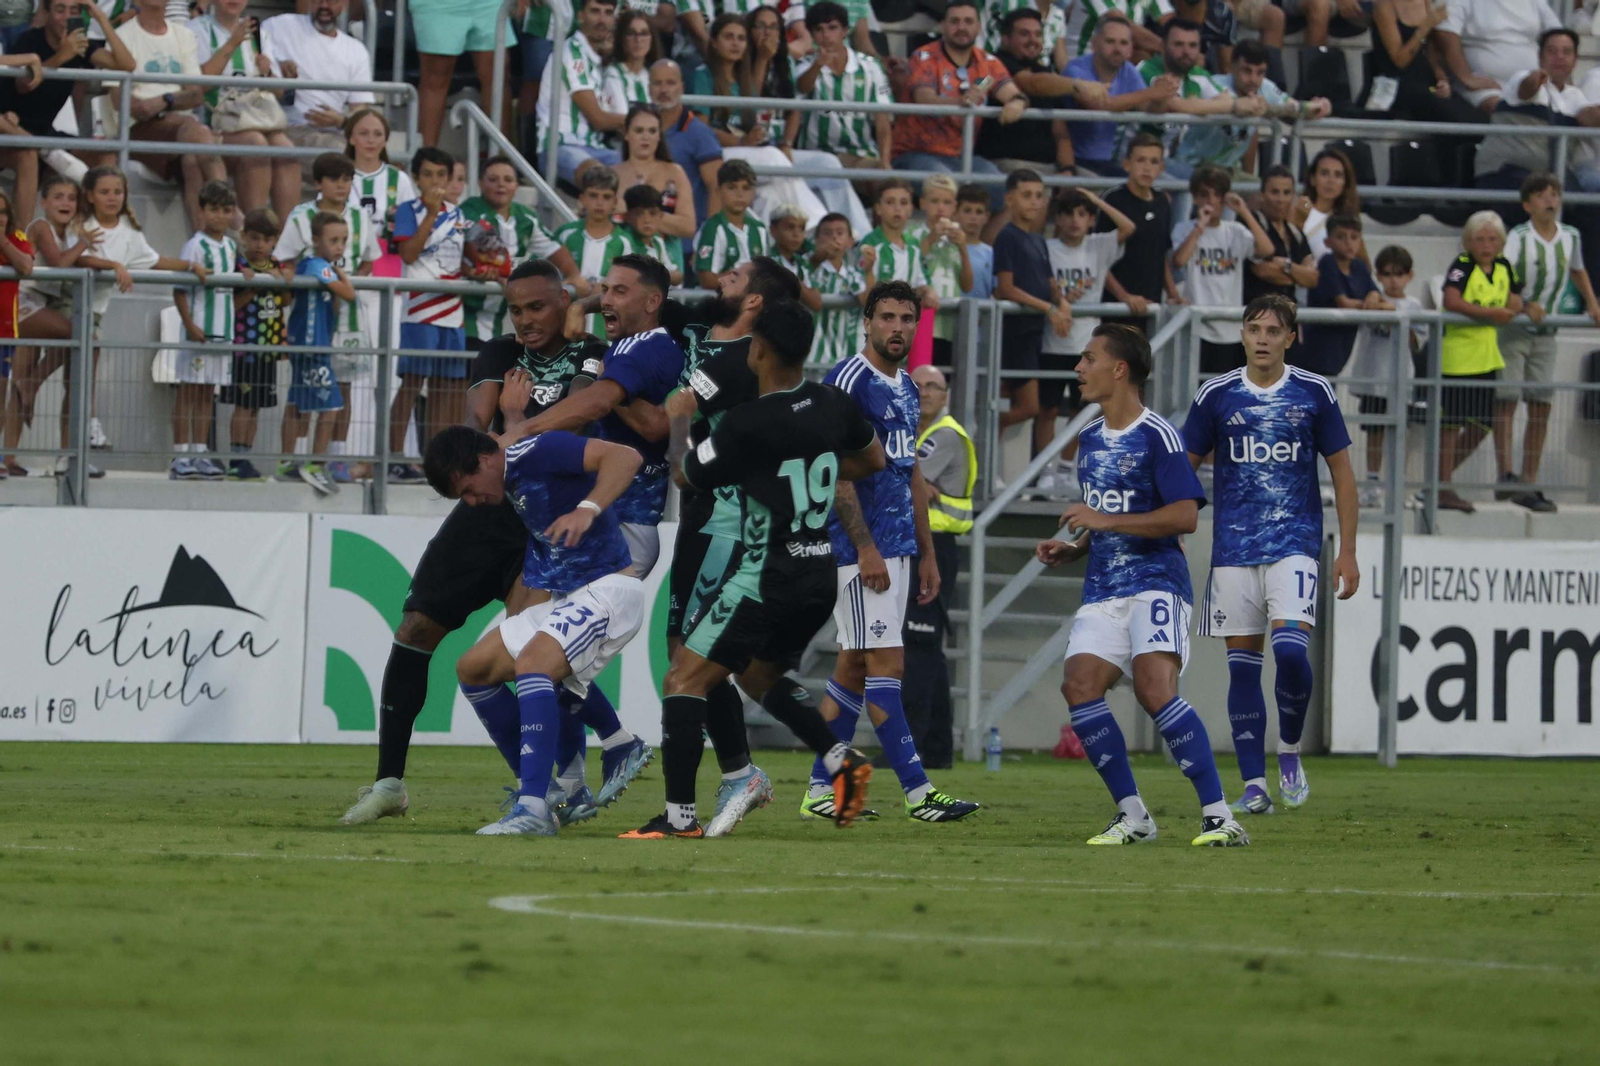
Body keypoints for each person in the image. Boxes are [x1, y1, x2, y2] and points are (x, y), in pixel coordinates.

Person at [338, 259, 649, 827]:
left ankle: (566, 784)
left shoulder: (590, 352)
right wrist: (510, 426)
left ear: (563, 303)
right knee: (416, 629)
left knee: (537, 653)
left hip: (546, 514)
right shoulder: (497, 353)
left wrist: (517, 419)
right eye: (516, 310)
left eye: (537, 307)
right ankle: (389, 782)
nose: (525, 320)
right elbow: (475, 434)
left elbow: (571, 428)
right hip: (490, 503)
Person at [627, 297, 881, 838]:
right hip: (819, 571)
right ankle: (840, 758)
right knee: (759, 675)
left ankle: (679, 819)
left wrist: (679, 423)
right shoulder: (833, 403)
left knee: (683, 678)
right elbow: (871, 460)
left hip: (765, 572)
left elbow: (684, 476)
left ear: (757, 350)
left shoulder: (747, 422)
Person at [1037, 323, 1247, 847]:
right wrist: (1078, 546)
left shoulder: (1159, 435)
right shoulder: (1087, 438)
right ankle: (1135, 817)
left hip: (1157, 583)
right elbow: (1108, 513)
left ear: (1119, 369)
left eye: (1088, 359)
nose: (1078, 369)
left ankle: (1220, 816)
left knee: (1156, 691)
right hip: (1103, 587)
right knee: (1079, 687)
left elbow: (1183, 517)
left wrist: (1102, 524)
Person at [805, 280, 981, 823]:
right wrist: (865, 547)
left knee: (855, 667)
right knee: (888, 664)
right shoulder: (847, 380)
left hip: (899, 547)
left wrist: (925, 552)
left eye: (908, 318)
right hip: (861, 550)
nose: (898, 327)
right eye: (887, 317)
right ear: (867, 321)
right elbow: (831, 468)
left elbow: (910, 473)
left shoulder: (905, 386)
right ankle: (918, 791)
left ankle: (819, 790)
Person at [1181, 294, 1358, 814]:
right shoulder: (1216, 394)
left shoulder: (1313, 392)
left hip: (1295, 543)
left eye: (1272, 331)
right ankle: (1254, 787)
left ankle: (1289, 749)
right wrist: (1174, 522)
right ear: (1242, 335)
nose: (1262, 338)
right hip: (1234, 548)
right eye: (1254, 328)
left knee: (1289, 652)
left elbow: (1343, 474)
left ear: (1290, 338)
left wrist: (1347, 551)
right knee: (1241, 669)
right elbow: (1182, 466)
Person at [435, 425, 645, 837]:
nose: (472, 502)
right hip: (567, 597)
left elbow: (626, 457)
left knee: (535, 664)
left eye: (468, 490)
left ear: (484, 462)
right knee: (473, 668)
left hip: (608, 591)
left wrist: (588, 507)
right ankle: (552, 790)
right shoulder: (507, 467)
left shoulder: (540, 450)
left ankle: (532, 806)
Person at [503, 254, 685, 585]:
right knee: (538, 621)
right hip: (618, 521)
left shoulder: (638, 349)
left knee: (547, 629)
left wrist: (521, 429)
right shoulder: (645, 344)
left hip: (622, 522)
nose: (606, 301)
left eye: (619, 291)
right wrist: (580, 308)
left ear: (652, 302)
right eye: (604, 290)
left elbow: (599, 403)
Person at [70, 165, 206, 473]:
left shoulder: (130, 232)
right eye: (104, 192)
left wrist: (189, 265)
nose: (112, 198)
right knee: (65, 374)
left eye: (117, 192)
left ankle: (75, 449)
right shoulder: (83, 224)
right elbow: (75, 257)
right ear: (90, 196)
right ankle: (83, 431)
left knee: (78, 378)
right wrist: (115, 265)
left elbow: (155, 260)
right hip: (72, 307)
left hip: (95, 313)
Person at [1496, 172, 1600, 513]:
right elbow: (1504, 272)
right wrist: (1522, 304)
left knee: (1541, 403)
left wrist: (1592, 302)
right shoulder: (1519, 236)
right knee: (1507, 398)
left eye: (1554, 193)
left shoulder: (1570, 236)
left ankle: (1529, 478)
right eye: (1542, 194)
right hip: (1516, 329)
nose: (1550, 199)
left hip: (1547, 331)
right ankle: (1505, 474)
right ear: (1528, 204)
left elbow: (1577, 271)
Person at [274, 152, 380, 483]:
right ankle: (292, 459)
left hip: (346, 321)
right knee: (302, 394)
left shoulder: (360, 217)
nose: (342, 185)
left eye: (347, 178)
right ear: (318, 183)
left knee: (342, 389)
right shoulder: (302, 215)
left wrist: (347, 283)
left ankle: (332, 460)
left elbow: (369, 261)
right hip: (311, 321)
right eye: (334, 178)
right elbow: (284, 261)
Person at [1035, 187, 1134, 498]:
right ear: (1058, 219)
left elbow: (1129, 227)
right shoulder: (1046, 246)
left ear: (1091, 219)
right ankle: (1044, 472)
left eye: (1083, 214)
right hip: (1053, 342)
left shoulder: (1098, 245)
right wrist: (1059, 298)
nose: (1075, 221)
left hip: (1087, 345)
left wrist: (1096, 200)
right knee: (1048, 410)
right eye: (1068, 214)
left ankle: (1065, 468)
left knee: (1086, 410)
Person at [0, 0, 134, 218]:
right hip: (12, 129)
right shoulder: (30, 39)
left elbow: (127, 64)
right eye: (60, 9)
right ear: (46, 12)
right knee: (29, 152)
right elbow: (24, 86)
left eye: (73, 11)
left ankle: (98, 233)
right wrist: (62, 55)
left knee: (106, 155)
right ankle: (21, 240)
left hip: (45, 133)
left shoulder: (81, 46)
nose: (66, 17)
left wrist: (99, 16)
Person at [891, 0, 1029, 210]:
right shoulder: (924, 56)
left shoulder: (987, 62)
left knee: (1007, 194)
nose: (962, 27)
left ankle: (981, 244)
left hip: (963, 157)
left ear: (978, 27)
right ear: (943, 26)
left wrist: (1017, 103)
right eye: (955, 21)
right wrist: (959, 102)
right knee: (946, 189)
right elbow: (923, 97)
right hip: (915, 154)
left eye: (968, 21)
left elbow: (1013, 93)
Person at [904, 362, 973, 769]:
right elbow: (915, 488)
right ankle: (935, 751)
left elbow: (902, 480)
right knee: (928, 649)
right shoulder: (917, 434)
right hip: (924, 545)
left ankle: (910, 747)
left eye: (934, 386)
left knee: (918, 646)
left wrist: (918, 486)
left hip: (934, 547)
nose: (926, 392)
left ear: (945, 397)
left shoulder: (944, 435)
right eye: (919, 385)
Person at [107, 1, 225, 230]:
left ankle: (205, 243)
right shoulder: (121, 36)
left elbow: (196, 95)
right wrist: (164, 103)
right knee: (197, 132)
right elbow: (121, 101)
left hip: (181, 129)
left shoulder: (183, 35)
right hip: (139, 130)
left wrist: (164, 101)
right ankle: (234, 214)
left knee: (192, 160)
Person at [388, 147, 468, 481]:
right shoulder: (409, 210)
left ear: (450, 179)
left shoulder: (460, 215)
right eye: (428, 175)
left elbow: (460, 258)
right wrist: (430, 215)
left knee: (447, 388)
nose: (435, 181)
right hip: (420, 310)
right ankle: (393, 456)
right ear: (417, 178)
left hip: (453, 310)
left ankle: (437, 460)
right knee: (412, 383)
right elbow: (408, 253)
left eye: (441, 175)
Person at [1436, 211, 1524, 513]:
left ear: (1500, 242)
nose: (1485, 245)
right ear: (1468, 241)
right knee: (1451, 425)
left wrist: (1519, 307)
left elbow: (1515, 298)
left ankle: (1439, 480)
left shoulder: (1503, 266)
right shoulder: (1462, 265)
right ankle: (1443, 487)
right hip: (1458, 358)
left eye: (1491, 239)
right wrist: (1491, 314)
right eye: (1479, 239)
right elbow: (1451, 299)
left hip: (1488, 358)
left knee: (1482, 425)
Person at [190, 0, 299, 222]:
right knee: (255, 144)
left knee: (287, 150)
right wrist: (233, 43)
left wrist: (268, 73)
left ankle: (284, 243)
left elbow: (278, 93)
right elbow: (200, 85)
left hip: (255, 116)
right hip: (216, 122)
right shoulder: (196, 29)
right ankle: (254, 236)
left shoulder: (259, 33)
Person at [461, 155, 584, 347]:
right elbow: (487, 255)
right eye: (493, 179)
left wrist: (574, 274)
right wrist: (504, 275)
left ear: (517, 185)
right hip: (466, 314)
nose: (501, 185)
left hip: (501, 315)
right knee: (463, 373)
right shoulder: (469, 211)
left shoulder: (525, 216)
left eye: (508, 180)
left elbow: (552, 247)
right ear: (480, 183)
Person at [11, 176, 88, 476]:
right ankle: (32, 384)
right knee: (76, 332)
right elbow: (57, 263)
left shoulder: (71, 233)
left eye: (71, 198)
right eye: (58, 197)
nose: (65, 203)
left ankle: (9, 457)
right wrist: (84, 244)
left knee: (19, 384)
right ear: (44, 202)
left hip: (43, 305)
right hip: (24, 301)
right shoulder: (41, 226)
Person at [994, 169, 1072, 456]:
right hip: (1017, 332)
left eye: (1039, 196)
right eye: (1026, 195)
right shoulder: (1007, 237)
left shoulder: (1039, 239)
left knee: (1015, 401)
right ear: (1009, 199)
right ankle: (982, 433)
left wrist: (1061, 303)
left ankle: (989, 456)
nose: (1034, 202)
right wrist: (1049, 308)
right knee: (1029, 407)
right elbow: (1006, 288)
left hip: (1035, 332)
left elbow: (1050, 282)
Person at [170, 180, 242, 482]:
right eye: (213, 210)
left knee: (206, 394)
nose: (219, 217)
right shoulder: (195, 246)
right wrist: (189, 325)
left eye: (226, 210)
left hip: (221, 333)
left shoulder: (231, 246)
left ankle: (200, 451)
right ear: (202, 211)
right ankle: (180, 454)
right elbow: (179, 290)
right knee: (188, 391)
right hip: (198, 330)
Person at [976, 7, 1104, 176]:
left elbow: (1060, 132)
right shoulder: (997, 64)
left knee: (1093, 184)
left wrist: (1067, 170)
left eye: (1037, 34)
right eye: (1024, 34)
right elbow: (1031, 83)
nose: (1033, 40)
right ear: (1005, 39)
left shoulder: (1047, 73)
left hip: (1050, 166)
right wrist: (1077, 85)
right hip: (1008, 163)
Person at [1171, 164, 1274, 374]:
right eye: (1204, 194)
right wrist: (1199, 227)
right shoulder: (1185, 229)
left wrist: (1243, 210)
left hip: (1231, 329)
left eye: (1217, 194)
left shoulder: (1235, 231)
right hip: (1197, 329)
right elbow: (1179, 261)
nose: (1211, 200)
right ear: (1195, 198)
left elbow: (1267, 249)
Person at [278, 211, 354, 494]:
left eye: (344, 241)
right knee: (331, 405)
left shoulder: (314, 266)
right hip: (312, 346)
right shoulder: (317, 266)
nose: (339, 246)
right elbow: (348, 293)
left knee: (298, 403)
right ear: (315, 240)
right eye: (333, 240)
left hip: (309, 343)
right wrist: (341, 273)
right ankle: (315, 465)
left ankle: (286, 462)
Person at [1132, 17, 1263, 179]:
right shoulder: (1146, 70)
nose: (1186, 51)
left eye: (1192, 45)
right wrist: (1235, 105)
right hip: (1135, 160)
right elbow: (1176, 105)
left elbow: (1225, 100)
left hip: (1169, 160)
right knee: (1198, 181)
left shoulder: (1198, 75)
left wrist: (1248, 104)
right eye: (1178, 45)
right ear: (1163, 47)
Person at [1175, 38, 1330, 175]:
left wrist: (1320, 106)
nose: (1253, 80)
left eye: (1260, 73)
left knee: (1258, 199)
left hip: (1228, 170)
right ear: (1232, 66)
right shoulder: (1214, 84)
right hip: (1191, 165)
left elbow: (1296, 109)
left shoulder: (1265, 87)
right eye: (1247, 71)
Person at [1348, 244, 1426, 509]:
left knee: (1397, 434)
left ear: (1410, 276)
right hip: (1373, 379)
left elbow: (1417, 341)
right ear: (1379, 276)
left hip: (1399, 380)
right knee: (1374, 433)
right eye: (1388, 274)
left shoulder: (1414, 305)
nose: (1394, 281)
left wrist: (1393, 314)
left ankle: (1394, 486)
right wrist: (1377, 307)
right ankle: (1371, 485)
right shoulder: (1370, 298)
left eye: (1399, 274)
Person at [1064, 14, 1180, 178]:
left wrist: (1162, 96)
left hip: (1111, 162)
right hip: (1075, 161)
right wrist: (1151, 92)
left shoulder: (1128, 70)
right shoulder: (1075, 69)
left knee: (1169, 188)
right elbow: (1100, 105)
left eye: (1124, 43)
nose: (1117, 48)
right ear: (1094, 43)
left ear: (1131, 48)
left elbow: (1148, 109)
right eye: (1110, 41)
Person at [1367, 0, 1482, 160]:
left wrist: (1441, 79)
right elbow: (1399, 60)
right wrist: (1426, 26)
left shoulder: (1426, 3)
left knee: (1477, 119)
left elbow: (1430, 50)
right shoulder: (1384, 7)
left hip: (1426, 83)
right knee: (1455, 119)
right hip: (1397, 86)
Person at [261, 0, 377, 157]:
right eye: (318, 0)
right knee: (344, 155)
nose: (324, 6)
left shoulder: (356, 50)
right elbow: (258, 62)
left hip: (335, 132)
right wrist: (278, 67)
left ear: (345, 4)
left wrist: (340, 120)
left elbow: (360, 108)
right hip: (289, 126)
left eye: (332, 1)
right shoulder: (279, 25)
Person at [221, 207, 288, 482]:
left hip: (268, 350)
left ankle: (246, 456)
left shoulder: (277, 267)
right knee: (243, 405)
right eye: (255, 238)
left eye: (266, 240)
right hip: (244, 349)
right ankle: (236, 460)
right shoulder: (239, 267)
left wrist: (283, 283)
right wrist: (252, 288)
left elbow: (286, 301)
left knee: (257, 405)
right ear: (245, 237)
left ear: (274, 241)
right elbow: (231, 306)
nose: (260, 245)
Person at [793, 2, 892, 172]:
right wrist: (817, 66)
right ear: (811, 34)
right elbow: (802, 88)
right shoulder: (803, 65)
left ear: (845, 30)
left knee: (890, 180)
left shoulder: (872, 67)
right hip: (817, 156)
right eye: (819, 29)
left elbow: (883, 120)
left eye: (832, 28)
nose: (826, 35)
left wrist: (885, 162)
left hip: (864, 155)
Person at [535, 0, 626, 186]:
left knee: (646, 172)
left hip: (595, 148)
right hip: (559, 146)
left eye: (608, 13)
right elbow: (598, 118)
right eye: (595, 11)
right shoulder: (571, 52)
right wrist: (640, 119)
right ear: (581, 16)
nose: (601, 20)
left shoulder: (598, 59)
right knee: (601, 178)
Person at [1098, 134, 1181, 328]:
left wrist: (1173, 294)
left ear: (1161, 168)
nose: (1147, 167)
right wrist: (1124, 296)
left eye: (1153, 162)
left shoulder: (1163, 202)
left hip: (1151, 307)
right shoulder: (1113, 200)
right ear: (1126, 164)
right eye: (1140, 160)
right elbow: (1097, 258)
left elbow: (1161, 254)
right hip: (1116, 308)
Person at [410, 0, 511, 146]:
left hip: (489, 4)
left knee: (498, 72)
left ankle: (501, 162)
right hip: (437, 4)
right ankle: (426, 160)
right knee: (436, 75)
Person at [555, 167, 641, 336]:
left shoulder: (624, 242)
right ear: (582, 199)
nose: (599, 203)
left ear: (615, 202)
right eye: (593, 195)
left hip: (605, 337)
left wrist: (599, 290)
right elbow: (542, 274)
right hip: (564, 334)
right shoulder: (565, 234)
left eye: (606, 197)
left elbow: (632, 288)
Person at [1435, 0, 1561, 111]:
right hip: (1486, 86)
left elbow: (1558, 35)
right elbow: (1445, 33)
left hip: (1533, 83)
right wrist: (1466, 77)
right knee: (1505, 110)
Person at [1302, 213, 1385, 378]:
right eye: (1341, 237)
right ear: (1328, 242)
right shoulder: (1327, 263)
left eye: (1354, 237)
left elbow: (1383, 300)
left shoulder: (1359, 266)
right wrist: (1370, 305)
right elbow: (1343, 303)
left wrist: (1374, 297)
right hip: (1316, 352)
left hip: (1341, 350)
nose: (1349, 243)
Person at [904, 174, 971, 368]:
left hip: (950, 326)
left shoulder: (958, 237)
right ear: (923, 203)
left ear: (955, 207)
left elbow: (968, 284)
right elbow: (909, 267)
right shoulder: (912, 234)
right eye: (934, 201)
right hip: (920, 323)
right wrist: (932, 238)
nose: (941, 208)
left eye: (947, 202)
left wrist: (963, 249)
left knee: (943, 382)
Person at [651, 59, 725, 230]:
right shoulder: (642, 128)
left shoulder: (699, 133)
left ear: (682, 87)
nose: (663, 90)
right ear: (648, 88)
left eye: (670, 83)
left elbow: (717, 187)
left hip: (687, 240)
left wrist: (706, 238)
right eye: (657, 83)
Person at [612, 103, 698, 241]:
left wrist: (634, 212)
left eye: (652, 131)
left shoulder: (675, 173)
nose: (646, 137)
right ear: (626, 134)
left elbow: (689, 226)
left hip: (666, 257)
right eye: (639, 131)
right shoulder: (613, 174)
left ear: (659, 135)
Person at [1243, 164, 1316, 304]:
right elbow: (1262, 270)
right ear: (1262, 195)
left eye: (1287, 193)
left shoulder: (1295, 233)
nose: (1281, 199)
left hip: (1288, 316)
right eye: (1275, 192)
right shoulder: (1252, 222)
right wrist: (1297, 276)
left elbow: (1312, 278)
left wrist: (1286, 266)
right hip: (1257, 313)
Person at [807, 211, 871, 364]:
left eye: (840, 233)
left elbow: (867, 300)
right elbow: (807, 269)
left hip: (845, 357)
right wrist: (819, 256)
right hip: (813, 358)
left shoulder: (853, 275)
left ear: (850, 241)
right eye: (827, 233)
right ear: (816, 240)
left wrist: (869, 270)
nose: (834, 237)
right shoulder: (809, 269)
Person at [694, 159, 770, 289]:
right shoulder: (712, 228)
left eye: (746, 188)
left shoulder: (760, 229)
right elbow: (706, 280)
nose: (739, 195)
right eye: (732, 188)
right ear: (719, 191)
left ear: (753, 192)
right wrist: (741, 278)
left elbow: (767, 274)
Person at [0, 193, 33, 481]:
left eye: (1, 212)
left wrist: (1, 240)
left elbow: (26, 266)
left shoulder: (16, 238)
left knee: (0, 395)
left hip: (4, 330)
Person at [858, 180, 932, 307]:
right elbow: (864, 298)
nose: (897, 209)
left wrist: (928, 292)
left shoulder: (914, 245)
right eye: (890, 202)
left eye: (903, 203)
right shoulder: (869, 244)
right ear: (878, 208)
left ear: (911, 210)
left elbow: (920, 283)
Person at [1293, 146, 1364, 263]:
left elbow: (1364, 265)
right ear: (1313, 179)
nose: (1331, 181)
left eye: (1338, 175)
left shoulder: (1349, 218)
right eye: (1324, 173)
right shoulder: (1300, 208)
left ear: (1345, 183)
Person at [622, 184, 685, 285]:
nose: (647, 220)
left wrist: (656, 275)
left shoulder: (657, 240)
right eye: (639, 213)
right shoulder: (624, 240)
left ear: (660, 216)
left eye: (652, 213)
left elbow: (678, 275)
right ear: (628, 217)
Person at [601, 10, 659, 116]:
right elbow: (622, 116)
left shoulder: (653, 74)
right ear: (622, 38)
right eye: (631, 33)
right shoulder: (613, 74)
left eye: (644, 33)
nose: (638, 39)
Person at [957, 183, 995, 299]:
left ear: (987, 217)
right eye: (967, 211)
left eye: (979, 212)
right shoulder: (947, 248)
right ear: (955, 213)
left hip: (980, 313)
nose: (973, 217)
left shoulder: (991, 253)